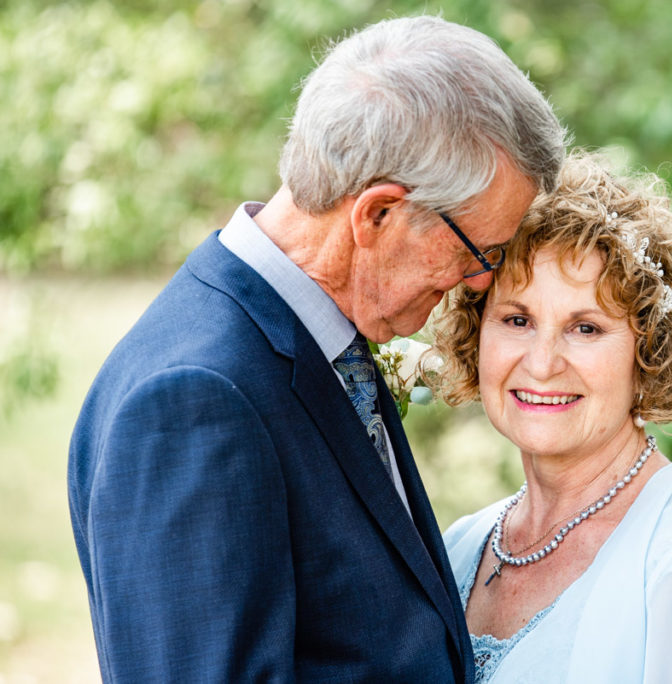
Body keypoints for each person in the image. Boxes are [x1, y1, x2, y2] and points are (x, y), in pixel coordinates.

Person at [67, 16, 564, 682]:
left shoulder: (318, 343)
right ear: (378, 215)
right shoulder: (195, 400)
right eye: (480, 252)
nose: (481, 283)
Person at [431, 152, 672, 683]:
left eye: (586, 328)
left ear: (647, 351)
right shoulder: (459, 549)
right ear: (476, 332)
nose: (541, 363)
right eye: (517, 319)